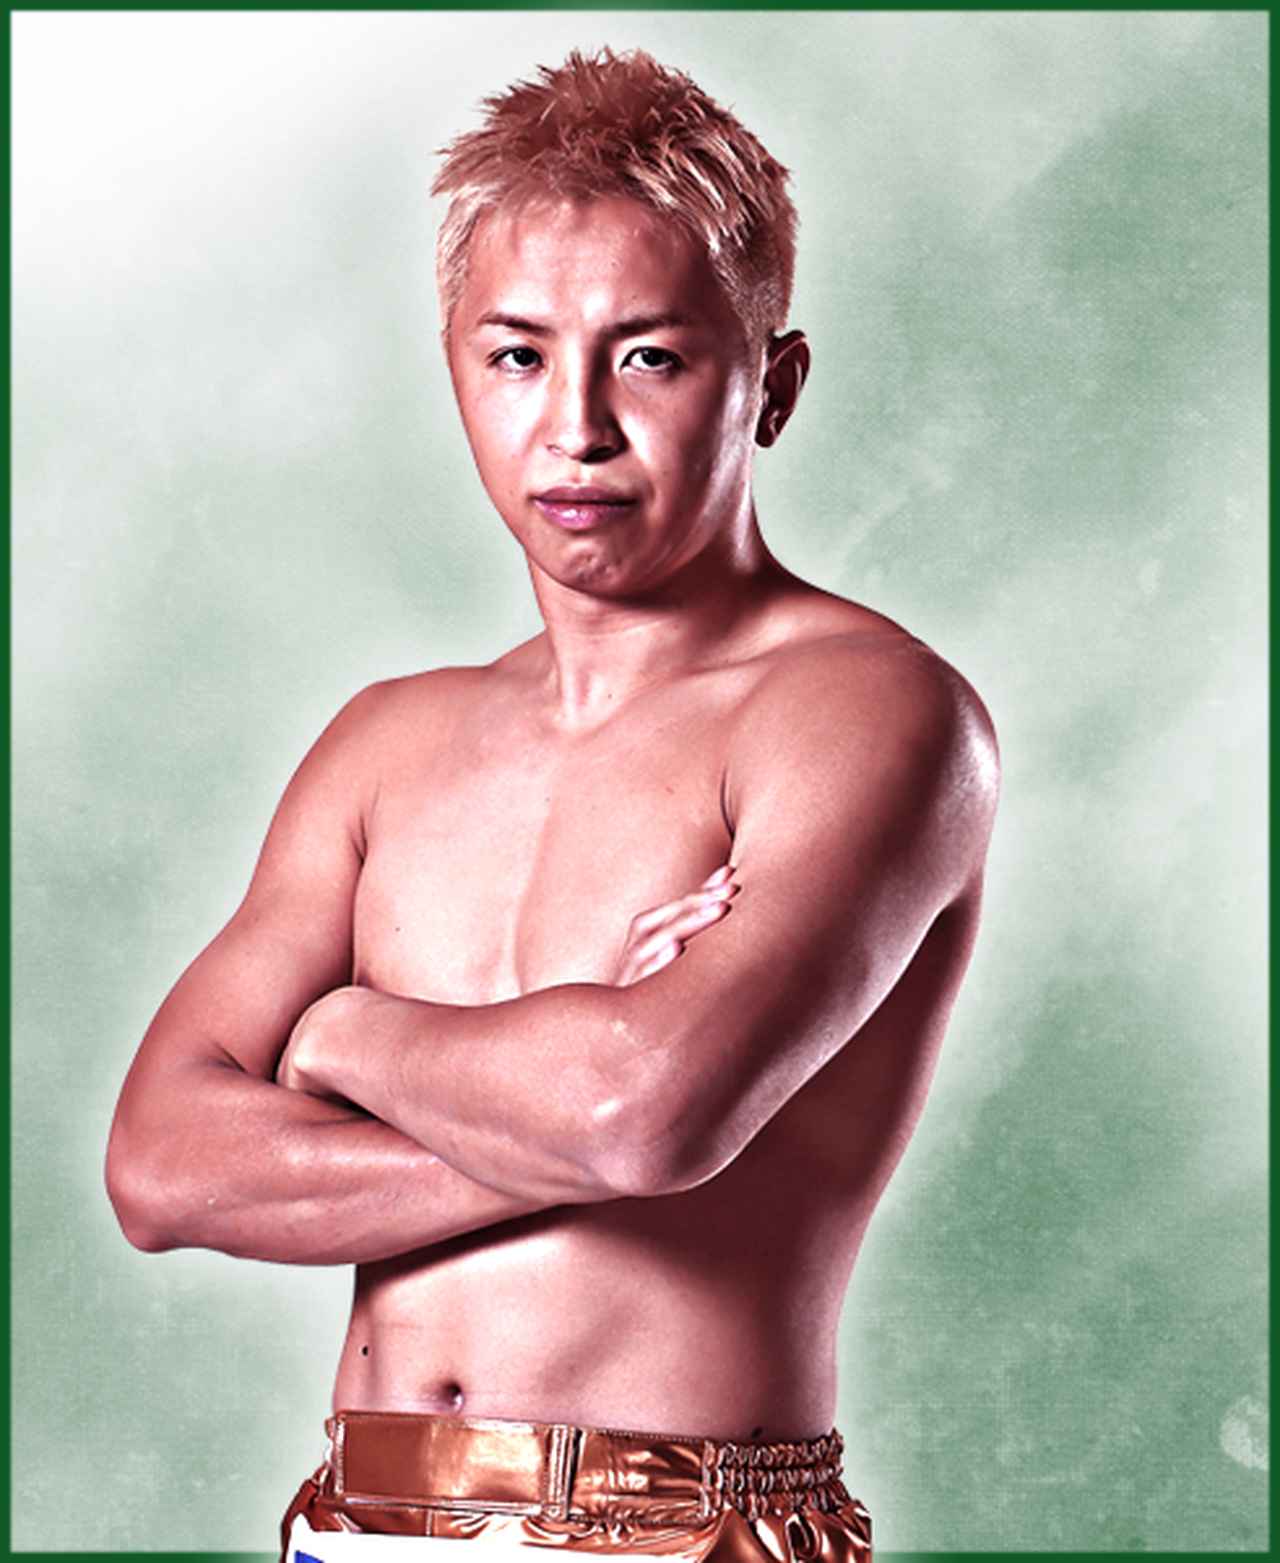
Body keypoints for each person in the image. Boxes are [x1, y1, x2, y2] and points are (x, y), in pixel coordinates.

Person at [106, 45, 998, 1563]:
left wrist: (344, 1038)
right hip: (352, 1517)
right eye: (516, 356)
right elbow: (161, 1166)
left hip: (676, 1526)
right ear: (456, 370)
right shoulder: (385, 744)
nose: (574, 426)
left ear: (773, 385)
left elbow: (640, 1116)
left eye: (648, 358)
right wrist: (565, 1108)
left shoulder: (871, 713)